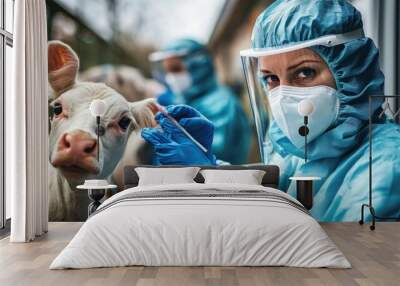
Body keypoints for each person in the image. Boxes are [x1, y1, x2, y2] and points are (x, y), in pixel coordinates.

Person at [238, 0, 400, 221]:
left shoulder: (386, 168)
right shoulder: (295, 152)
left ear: (352, 70)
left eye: (305, 73)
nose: (284, 96)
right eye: (271, 78)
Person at [146, 39, 251, 164]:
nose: (171, 77)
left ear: (198, 67)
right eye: (167, 71)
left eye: (176, 69)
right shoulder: (186, 99)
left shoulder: (222, 105)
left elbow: (214, 155)